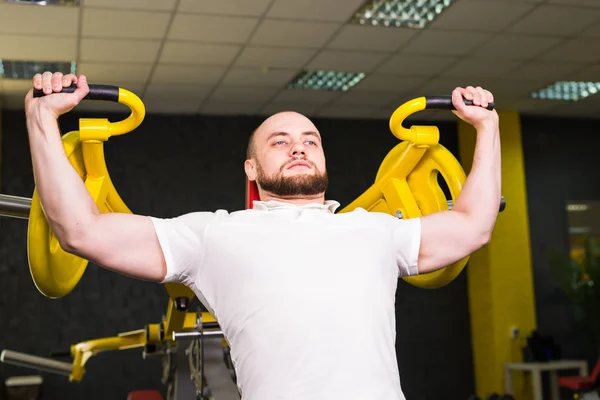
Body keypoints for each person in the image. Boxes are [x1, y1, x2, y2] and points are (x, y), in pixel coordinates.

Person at [25, 71, 501, 400]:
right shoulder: (214, 235)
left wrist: (488, 126)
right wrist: (42, 119)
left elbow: (472, 224)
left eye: (310, 140)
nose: (298, 147)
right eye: (280, 142)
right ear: (252, 169)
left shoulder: (376, 230)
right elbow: (80, 229)